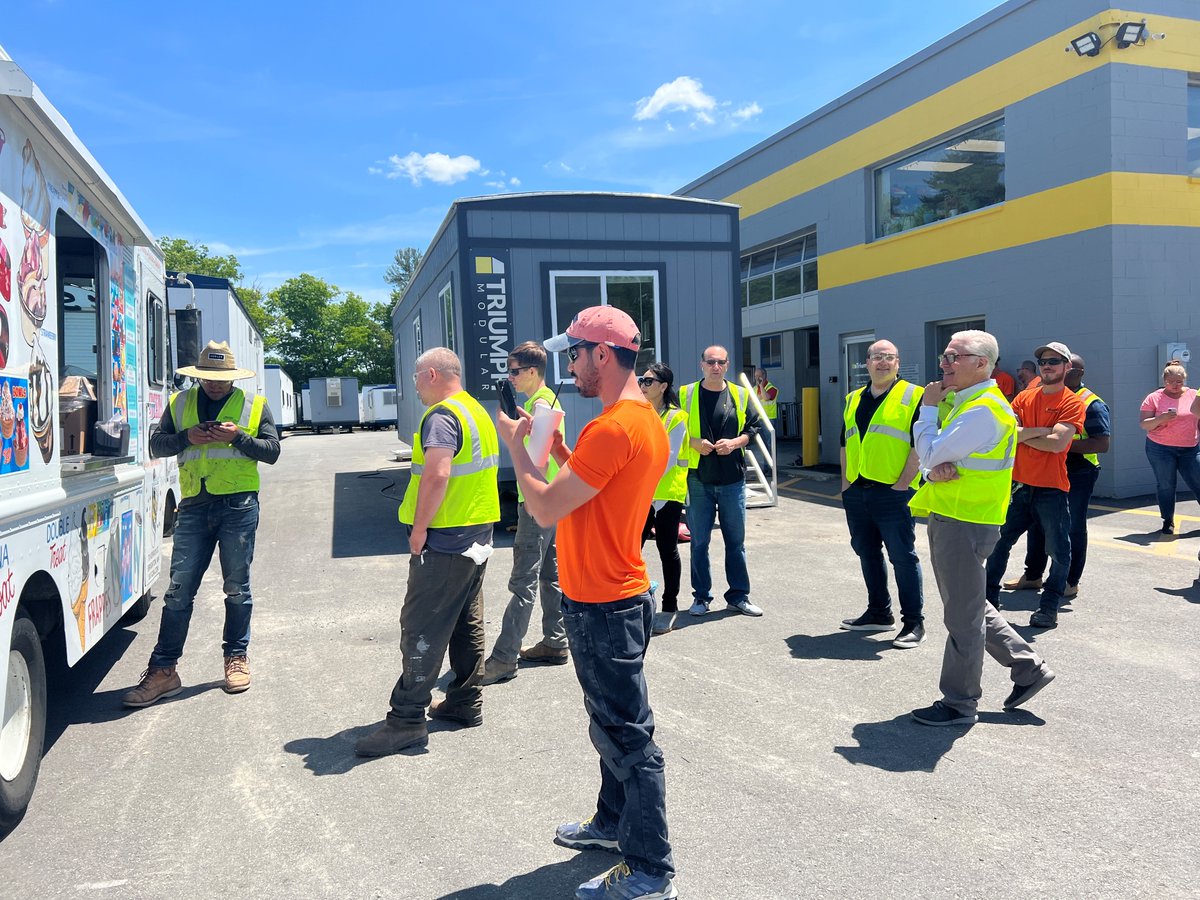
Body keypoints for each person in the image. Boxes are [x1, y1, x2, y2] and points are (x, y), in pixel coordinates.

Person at [495, 306, 676, 900]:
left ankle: (649, 869)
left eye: (573, 354)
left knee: (627, 737)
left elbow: (546, 507)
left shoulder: (615, 427)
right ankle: (610, 823)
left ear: (602, 354)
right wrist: (560, 451)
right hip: (612, 596)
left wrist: (518, 448)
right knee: (610, 724)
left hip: (604, 602)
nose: (568, 366)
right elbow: (597, 490)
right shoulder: (638, 420)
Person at [355, 348, 500, 757]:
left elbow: (437, 474)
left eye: (416, 377)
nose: (415, 386)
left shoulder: (442, 415)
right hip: (476, 533)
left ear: (432, 374)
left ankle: (406, 721)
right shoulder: (475, 410)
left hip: (445, 539)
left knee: (422, 626)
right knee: (465, 621)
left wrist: (419, 529)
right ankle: (464, 701)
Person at [908, 330, 1055, 726]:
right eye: (945, 355)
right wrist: (931, 468)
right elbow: (935, 460)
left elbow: (931, 451)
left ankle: (959, 703)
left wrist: (927, 411)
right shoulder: (970, 402)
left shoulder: (981, 409)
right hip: (960, 515)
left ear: (982, 363)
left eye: (954, 356)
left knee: (963, 617)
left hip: (965, 519)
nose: (945, 363)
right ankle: (1027, 666)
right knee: (969, 604)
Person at [122, 340, 280, 707]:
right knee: (178, 591)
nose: (214, 384)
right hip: (193, 506)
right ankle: (163, 671)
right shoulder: (179, 403)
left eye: (220, 379)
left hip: (238, 505)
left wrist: (238, 437)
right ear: (199, 376)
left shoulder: (254, 405)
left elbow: (272, 452)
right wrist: (185, 438)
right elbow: (157, 445)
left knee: (237, 588)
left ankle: (236, 657)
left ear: (233, 377)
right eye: (208, 378)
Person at [481, 341, 567, 684]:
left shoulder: (540, 404)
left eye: (515, 371)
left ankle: (504, 658)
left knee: (523, 581)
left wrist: (510, 433)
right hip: (550, 500)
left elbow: (538, 460)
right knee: (549, 575)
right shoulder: (539, 402)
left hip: (536, 504)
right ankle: (555, 641)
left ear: (533, 371)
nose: (510, 377)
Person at [984, 342, 1086, 629]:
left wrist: (1025, 435)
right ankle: (989, 603)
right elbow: (1007, 434)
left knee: (1059, 552)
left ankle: (1049, 608)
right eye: (1042, 362)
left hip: (1051, 488)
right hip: (1018, 485)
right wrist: (1042, 430)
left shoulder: (1072, 402)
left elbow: (1058, 444)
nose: (1047, 366)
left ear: (1067, 367)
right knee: (998, 543)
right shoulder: (1024, 398)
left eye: (1054, 361)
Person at [838, 340, 926, 648]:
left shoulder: (914, 395)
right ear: (867, 363)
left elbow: (920, 444)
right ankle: (878, 612)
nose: (883, 362)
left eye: (889, 357)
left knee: (902, 557)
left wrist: (903, 483)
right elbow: (845, 443)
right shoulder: (853, 398)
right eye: (877, 357)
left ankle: (913, 622)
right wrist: (845, 484)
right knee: (867, 552)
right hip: (857, 491)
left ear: (898, 363)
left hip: (893, 492)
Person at [1007, 354, 1110, 596]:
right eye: (1045, 363)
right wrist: (1044, 438)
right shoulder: (1039, 396)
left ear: (1076, 372)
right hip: (1046, 469)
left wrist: (1059, 443)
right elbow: (1013, 430)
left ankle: (1070, 581)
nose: (1049, 368)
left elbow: (1101, 443)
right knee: (1036, 524)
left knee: (1071, 528)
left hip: (1078, 471)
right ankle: (1033, 575)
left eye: (1059, 364)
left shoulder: (1091, 403)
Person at [680, 346, 764, 618]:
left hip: (732, 479)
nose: (715, 366)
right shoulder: (685, 394)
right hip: (698, 479)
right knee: (699, 543)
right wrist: (693, 442)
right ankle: (701, 597)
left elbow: (753, 428)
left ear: (727, 365)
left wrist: (736, 442)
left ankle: (738, 597)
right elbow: (670, 428)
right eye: (710, 362)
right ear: (701, 364)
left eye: (720, 362)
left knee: (735, 543)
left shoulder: (740, 394)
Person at [638, 363, 689, 635]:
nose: (643, 385)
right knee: (631, 548)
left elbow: (668, 459)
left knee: (667, 549)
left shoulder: (676, 417)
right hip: (642, 493)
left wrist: (639, 480)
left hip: (667, 493)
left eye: (648, 381)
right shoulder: (641, 412)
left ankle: (669, 607)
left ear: (663, 386)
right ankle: (636, 597)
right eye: (641, 381)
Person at [1139, 359, 1200, 535]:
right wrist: (1161, 418)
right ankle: (1168, 520)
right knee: (1166, 484)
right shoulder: (1154, 398)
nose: (1175, 385)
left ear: (1185, 380)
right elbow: (1144, 424)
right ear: (1164, 380)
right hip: (1161, 448)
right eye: (1171, 382)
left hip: (1190, 447)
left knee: (1197, 481)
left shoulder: (1193, 395)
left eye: (1179, 382)